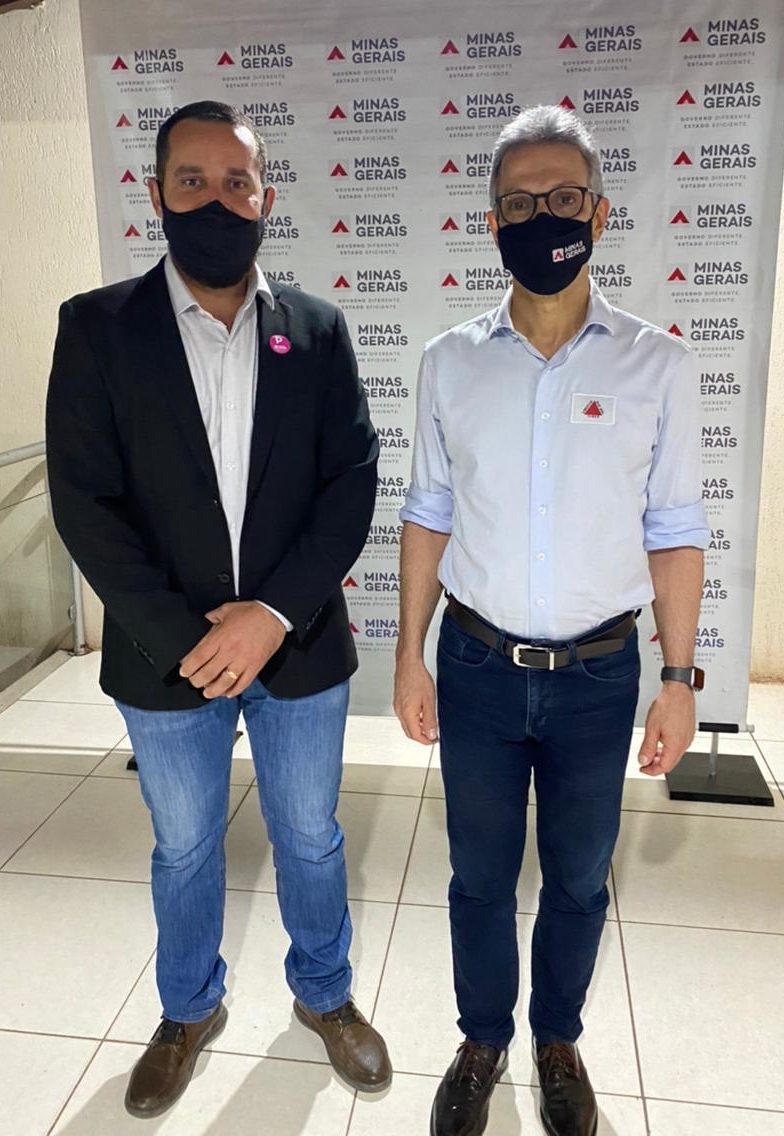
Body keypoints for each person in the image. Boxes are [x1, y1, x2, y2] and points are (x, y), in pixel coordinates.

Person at [46, 100, 390, 1118]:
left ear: (264, 196)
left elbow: (351, 485)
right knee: (186, 844)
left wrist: (271, 614)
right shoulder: (97, 327)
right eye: (191, 181)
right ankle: (187, 1008)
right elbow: (84, 503)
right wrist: (187, 637)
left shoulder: (316, 331)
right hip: (167, 656)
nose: (215, 201)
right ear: (155, 193)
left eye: (236, 182)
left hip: (297, 645)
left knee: (311, 835)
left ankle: (324, 993)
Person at [394, 104, 708, 1136]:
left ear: (600, 213)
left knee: (576, 878)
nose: (544, 218)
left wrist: (678, 679)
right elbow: (428, 513)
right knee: (479, 876)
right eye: (520, 204)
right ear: (492, 222)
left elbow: (674, 530)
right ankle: (482, 1039)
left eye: (564, 198)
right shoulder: (449, 361)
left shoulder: (658, 363)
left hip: (599, 676)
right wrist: (408, 656)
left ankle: (557, 1040)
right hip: (477, 667)